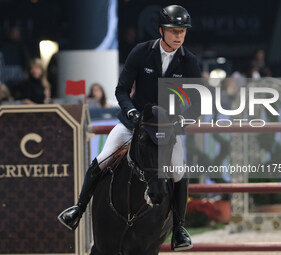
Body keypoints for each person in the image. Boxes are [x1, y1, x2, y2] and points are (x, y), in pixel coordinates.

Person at [58, 5, 201, 251]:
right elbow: (121, 90)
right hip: (133, 124)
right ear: (161, 30)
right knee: (102, 159)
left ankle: (178, 228)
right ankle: (78, 209)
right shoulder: (141, 52)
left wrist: (180, 119)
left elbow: (196, 103)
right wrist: (130, 111)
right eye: (174, 30)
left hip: (167, 130)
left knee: (179, 170)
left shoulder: (189, 62)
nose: (178, 36)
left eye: (182, 31)